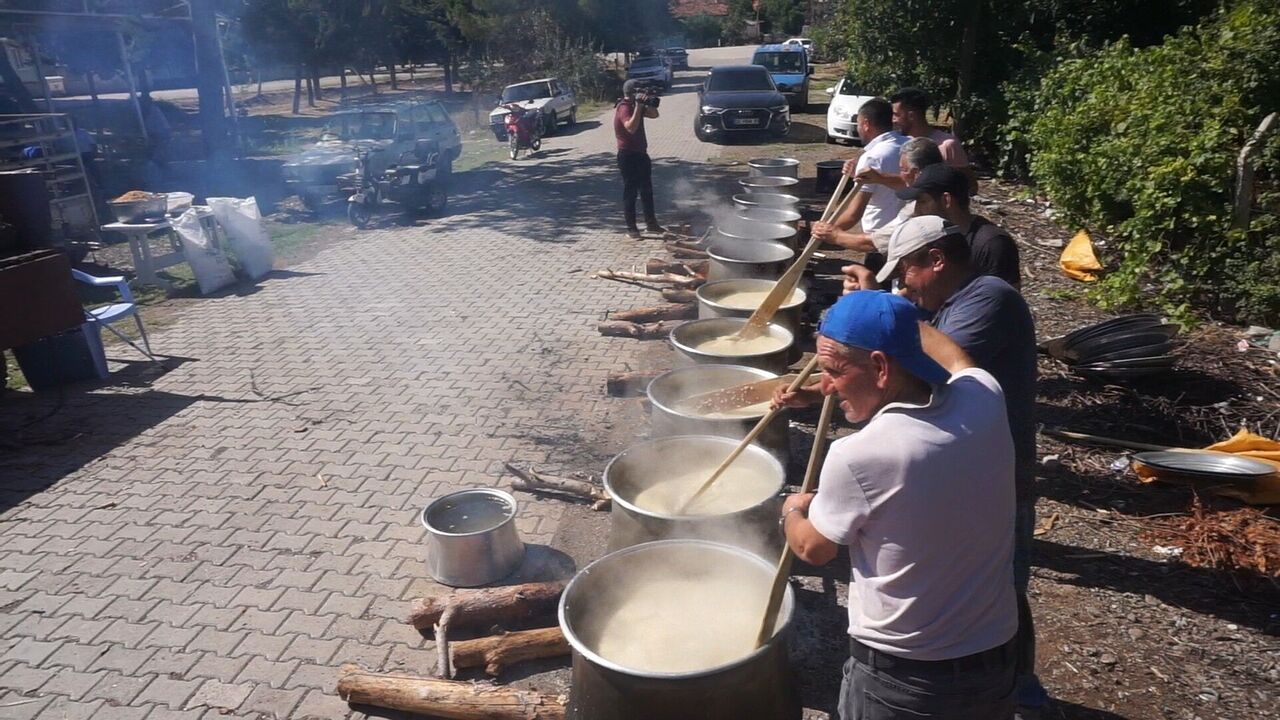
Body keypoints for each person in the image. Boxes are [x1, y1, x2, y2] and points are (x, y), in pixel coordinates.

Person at [781, 216, 1045, 719]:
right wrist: (889, 313)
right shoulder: (983, 397)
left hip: (904, 682)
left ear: (881, 368)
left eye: (834, 372)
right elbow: (955, 355)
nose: (828, 389)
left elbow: (812, 548)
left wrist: (792, 509)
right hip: (995, 667)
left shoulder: (861, 454)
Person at [897, 164, 1021, 289]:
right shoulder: (934, 239)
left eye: (922, 201)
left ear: (946, 200)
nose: (917, 210)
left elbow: (1004, 302)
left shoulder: (992, 244)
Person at [811, 98, 905, 253]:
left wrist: (824, 231)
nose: (858, 128)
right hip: (908, 235)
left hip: (880, 241)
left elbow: (854, 214)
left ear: (866, 124)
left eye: (859, 123)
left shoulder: (872, 157)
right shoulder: (910, 143)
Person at [614, 79, 664, 239]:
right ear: (632, 93)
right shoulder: (624, 107)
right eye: (640, 92)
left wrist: (648, 103)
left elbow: (655, 115)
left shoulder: (636, 106)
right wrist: (638, 107)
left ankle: (652, 224)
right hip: (627, 155)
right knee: (631, 192)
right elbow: (630, 127)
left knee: (647, 191)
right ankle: (631, 228)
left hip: (641, 154)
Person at [889, 87, 968, 169]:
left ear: (911, 116)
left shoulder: (947, 145)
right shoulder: (896, 144)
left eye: (896, 115)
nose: (893, 120)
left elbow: (966, 181)